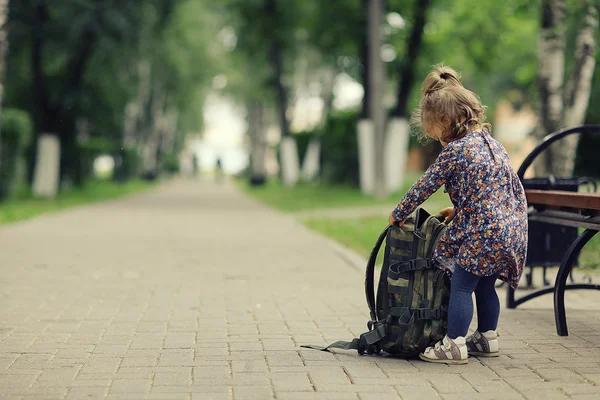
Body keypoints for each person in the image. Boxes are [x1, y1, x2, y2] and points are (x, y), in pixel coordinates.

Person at [388, 65, 528, 365]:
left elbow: (424, 186)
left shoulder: (455, 151)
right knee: (486, 284)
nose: (434, 138)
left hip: (483, 231)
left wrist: (399, 213)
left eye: (433, 131)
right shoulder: (492, 144)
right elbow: (491, 187)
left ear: (445, 120)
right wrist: (461, 208)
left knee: (463, 285)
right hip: (510, 226)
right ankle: (488, 338)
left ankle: (454, 344)